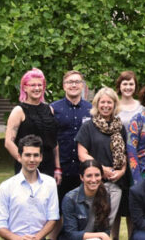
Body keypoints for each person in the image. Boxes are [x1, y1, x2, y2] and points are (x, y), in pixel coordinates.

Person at [76, 87, 127, 234]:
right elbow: (82, 154)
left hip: (115, 182)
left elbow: (123, 153)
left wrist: (122, 171)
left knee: (109, 222)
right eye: (102, 102)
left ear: (115, 105)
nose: (106, 105)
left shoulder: (120, 127)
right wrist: (102, 169)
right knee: (92, 221)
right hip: (94, 182)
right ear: (97, 104)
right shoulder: (88, 126)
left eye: (109, 102)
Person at [0, 135, 59, 239]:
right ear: (19, 157)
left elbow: (53, 217)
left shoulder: (50, 184)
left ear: (41, 157)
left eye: (35, 155)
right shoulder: (6, 187)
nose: (32, 159)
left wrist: (37, 237)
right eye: (28, 155)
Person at [4, 68, 59, 179]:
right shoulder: (18, 111)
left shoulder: (49, 110)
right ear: (25, 87)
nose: (37, 88)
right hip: (26, 167)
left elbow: (54, 142)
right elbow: (8, 142)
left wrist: (58, 168)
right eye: (32, 85)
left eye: (40, 85)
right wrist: (23, 160)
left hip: (48, 166)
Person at [51, 70, 93, 206]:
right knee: (58, 210)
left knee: (83, 209)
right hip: (61, 168)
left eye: (77, 82)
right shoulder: (53, 109)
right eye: (70, 82)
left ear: (82, 86)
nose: (73, 85)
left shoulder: (91, 110)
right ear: (64, 86)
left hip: (84, 170)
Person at [114, 70, 142, 236]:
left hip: (135, 160)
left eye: (131, 83)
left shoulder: (141, 107)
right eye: (125, 83)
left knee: (132, 204)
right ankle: (114, 236)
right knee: (115, 206)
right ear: (119, 86)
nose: (128, 87)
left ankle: (132, 236)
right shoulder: (113, 105)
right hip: (115, 160)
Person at [59, 160, 112, 240]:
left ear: (101, 176)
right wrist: (101, 235)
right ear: (81, 177)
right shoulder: (70, 198)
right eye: (89, 176)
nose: (93, 180)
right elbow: (71, 234)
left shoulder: (105, 195)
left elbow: (105, 228)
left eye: (97, 175)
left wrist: (102, 235)